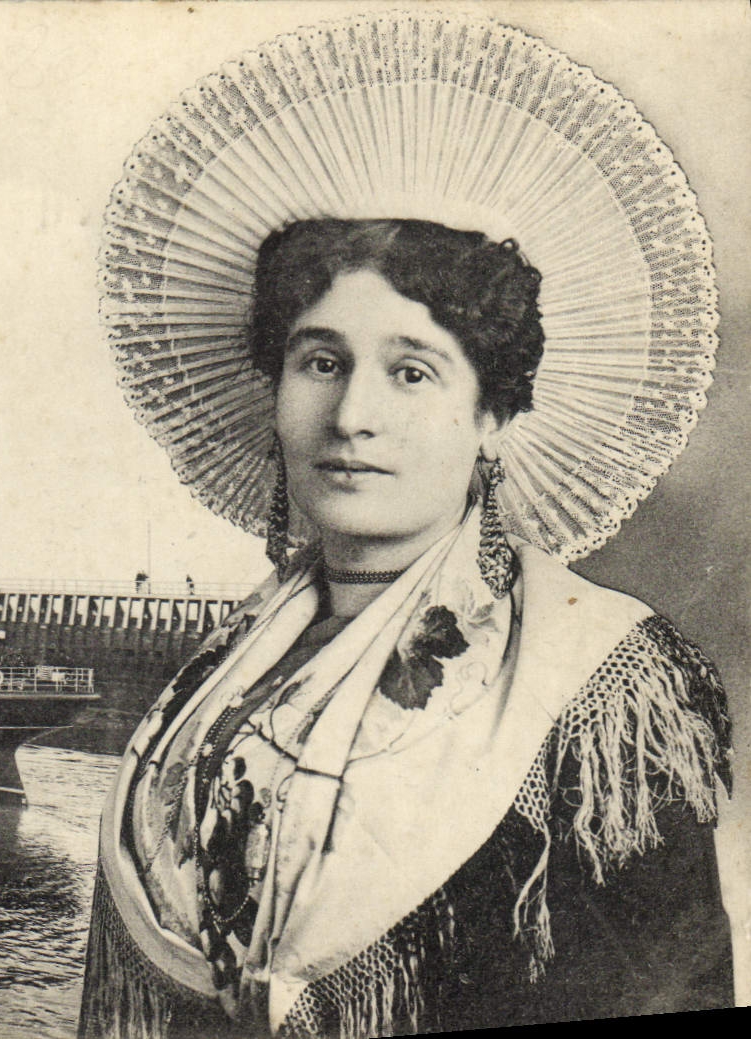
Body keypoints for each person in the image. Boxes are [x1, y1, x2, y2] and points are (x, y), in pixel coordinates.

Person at [79, 14, 736, 1033]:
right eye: (320, 360)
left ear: (494, 414)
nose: (351, 418)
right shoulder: (218, 673)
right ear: (275, 385)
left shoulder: (599, 694)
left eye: (412, 370)